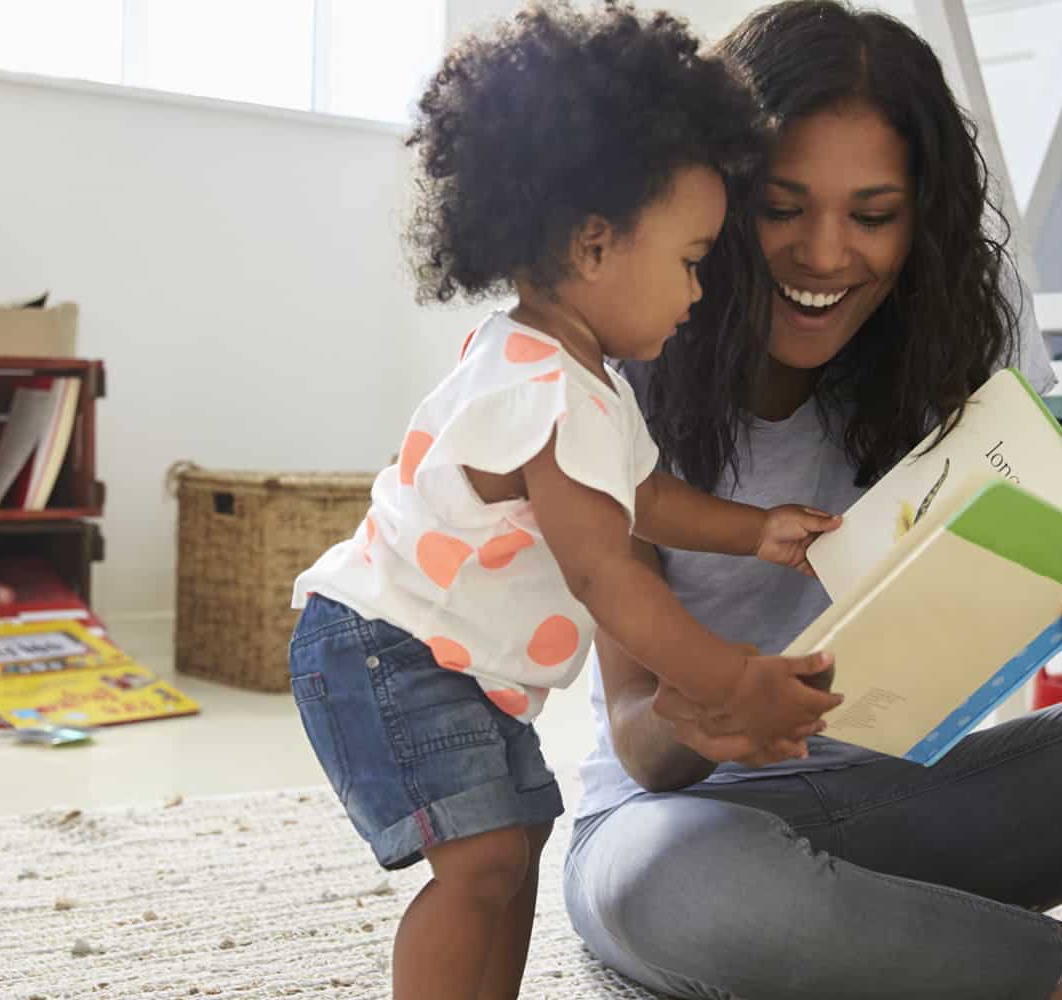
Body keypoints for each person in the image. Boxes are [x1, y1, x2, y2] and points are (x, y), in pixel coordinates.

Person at [562, 4, 1062, 999]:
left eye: (870, 215)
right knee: (670, 888)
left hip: (908, 802)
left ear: (919, 219)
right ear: (714, 201)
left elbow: (991, 614)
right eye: (780, 206)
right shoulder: (618, 363)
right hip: (684, 824)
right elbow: (640, 735)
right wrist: (710, 712)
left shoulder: (960, 332)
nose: (823, 254)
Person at [284, 5, 848, 998]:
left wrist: (756, 531)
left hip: (442, 658)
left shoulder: (569, 374)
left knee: (520, 833)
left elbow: (645, 501)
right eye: (688, 261)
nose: (699, 292)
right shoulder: (547, 392)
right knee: (483, 858)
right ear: (594, 245)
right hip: (388, 649)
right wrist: (730, 676)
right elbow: (607, 576)